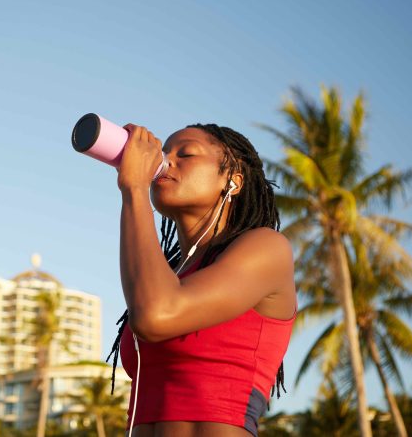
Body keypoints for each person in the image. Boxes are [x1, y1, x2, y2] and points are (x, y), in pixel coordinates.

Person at [106, 122, 297, 437]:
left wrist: (135, 189)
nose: (165, 160)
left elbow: (157, 314)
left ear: (232, 181)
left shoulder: (267, 248)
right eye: (164, 152)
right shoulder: (165, 274)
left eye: (186, 153)